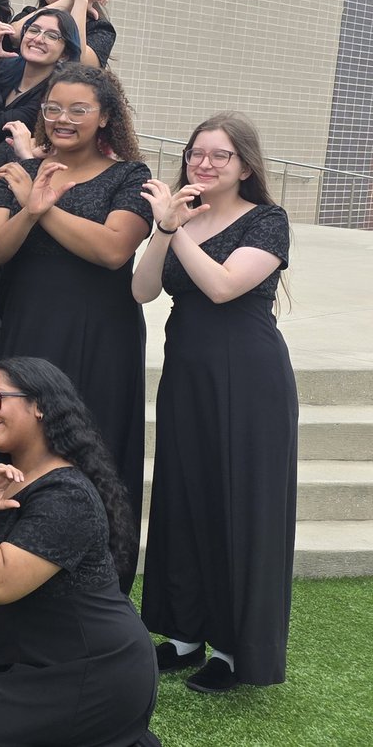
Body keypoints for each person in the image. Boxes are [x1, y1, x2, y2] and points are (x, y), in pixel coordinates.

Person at [133, 112, 297, 693]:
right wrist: (163, 229)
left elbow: (225, 287)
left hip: (248, 378)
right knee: (183, 493)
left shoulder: (269, 220)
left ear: (245, 165)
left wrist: (178, 232)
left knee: (237, 501)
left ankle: (232, 647)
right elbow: (143, 289)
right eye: (195, 153)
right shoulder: (181, 218)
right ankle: (182, 634)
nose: (202, 163)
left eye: (218, 155)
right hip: (187, 372)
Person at [0, 357, 160, 747]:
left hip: (94, 666)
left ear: (40, 404)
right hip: (29, 651)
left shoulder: (68, 495)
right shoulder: (4, 475)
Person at [0, 64, 152, 589]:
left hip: (102, 335)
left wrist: (42, 203)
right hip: (28, 330)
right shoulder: (19, 174)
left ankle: (102, 585)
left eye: (79, 110)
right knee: (18, 447)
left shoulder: (130, 177)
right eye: (53, 108)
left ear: (105, 118)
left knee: (97, 448)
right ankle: (6, 578)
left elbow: (114, 250)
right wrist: (29, 209)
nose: (62, 119)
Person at [0, 8, 82, 162]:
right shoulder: (5, 66)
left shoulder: (54, 95)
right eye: (33, 30)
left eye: (52, 36)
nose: (38, 39)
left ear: (64, 54)